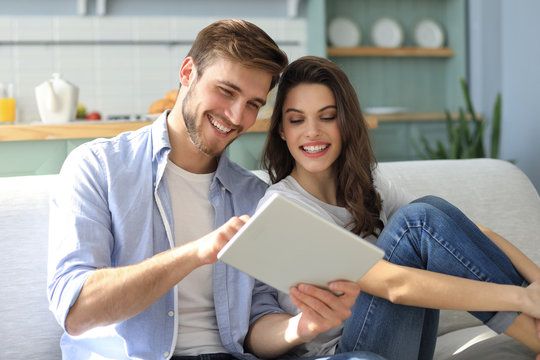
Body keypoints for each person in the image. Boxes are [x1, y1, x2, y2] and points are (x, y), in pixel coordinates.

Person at [47, 20, 386, 360]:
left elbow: (256, 322)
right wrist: (195, 254)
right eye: (226, 91)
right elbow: (76, 310)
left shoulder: (253, 196)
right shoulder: (98, 168)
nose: (237, 116)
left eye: (254, 103)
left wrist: (299, 328)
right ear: (187, 72)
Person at [252, 55, 540, 360]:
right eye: (297, 119)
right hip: (344, 353)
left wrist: (537, 282)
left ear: (346, 122)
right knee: (416, 222)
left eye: (327, 116)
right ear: (282, 130)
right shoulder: (283, 207)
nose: (311, 132)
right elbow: (393, 285)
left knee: (429, 208)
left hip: (398, 340)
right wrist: (522, 297)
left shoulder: (367, 184)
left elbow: (459, 233)